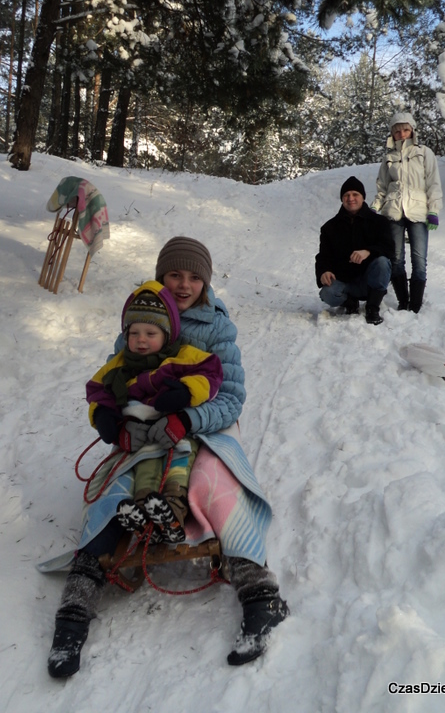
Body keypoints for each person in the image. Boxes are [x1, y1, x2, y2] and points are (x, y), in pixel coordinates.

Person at [45, 237, 288, 678]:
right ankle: (75, 608)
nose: (184, 284)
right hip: (145, 426)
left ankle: (260, 594)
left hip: (205, 423)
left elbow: (231, 398)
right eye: (175, 274)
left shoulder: (216, 328)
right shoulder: (141, 315)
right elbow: (112, 379)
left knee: (214, 482)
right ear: (161, 275)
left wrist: (185, 421)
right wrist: (115, 423)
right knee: (114, 491)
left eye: (194, 277)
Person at [85, 280, 224, 544]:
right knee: (145, 468)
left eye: (151, 333)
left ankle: (173, 510)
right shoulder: (120, 364)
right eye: (134, 333)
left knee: (179, 465)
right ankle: (143, 518)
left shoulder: (181, 356)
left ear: (167, 334)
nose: (141, 341)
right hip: (141, 435)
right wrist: (105, 418)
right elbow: (97, 389)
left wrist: (186, 392)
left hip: (177, 429)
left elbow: (212, 371)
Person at [370, 112, 443, 313]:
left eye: (405, 129)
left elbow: (433, 184)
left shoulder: (424, 153)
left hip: (418, 213)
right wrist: (374, 208)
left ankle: (416, 304)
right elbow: (382, 188)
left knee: (419, 259)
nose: (401, 134)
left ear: (412, 130)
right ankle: (404, 301)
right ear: (392, 134)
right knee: (396, 259)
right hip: (393, 212)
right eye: (397, 131)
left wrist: (433, 210)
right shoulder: (389, 157)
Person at [315, 176, 394, 325]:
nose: (350, 198)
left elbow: (389, 248)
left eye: (355, 194)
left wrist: (368, 251)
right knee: (327, 293)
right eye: (346, 195)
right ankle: (349, 302)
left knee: (383, 262)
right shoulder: (329, 227)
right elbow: (323, 256)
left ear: (362, 197)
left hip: (369, 281)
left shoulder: (379, 222)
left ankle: (372, 307)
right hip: (345, 281)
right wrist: (324, 271)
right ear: (342, 199)